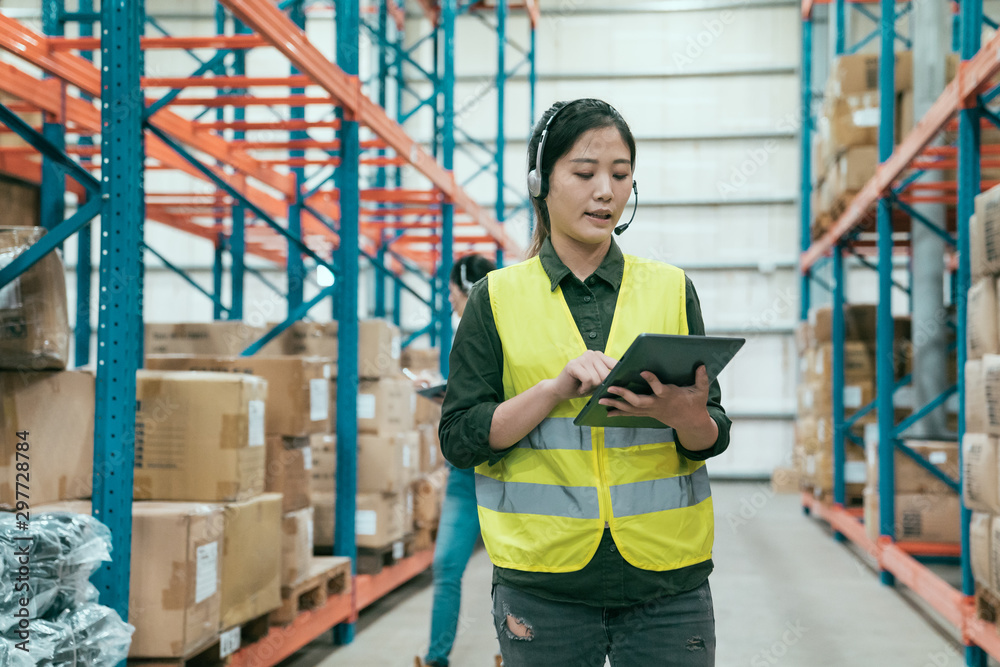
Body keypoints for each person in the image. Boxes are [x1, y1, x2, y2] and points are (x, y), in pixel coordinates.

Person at [438, 98, 731, 666]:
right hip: (544, 587)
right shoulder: (494, 299)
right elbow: (460, 437)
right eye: (584, 172)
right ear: (540, 183)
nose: (605, 191)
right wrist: (551, 391)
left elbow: (711, 434)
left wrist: (685, 416)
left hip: (668, 585)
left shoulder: (671, 289)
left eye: (620, 176)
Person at [417, 254, 497, 667]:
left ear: (464, 291)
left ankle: (518, 653)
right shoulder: (458, 336)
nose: (449, 302)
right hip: (464, 474)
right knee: (447, 565)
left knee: (515, 574)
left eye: (451, 293)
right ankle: (436, 658)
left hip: (503, 473)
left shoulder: (507, 330)